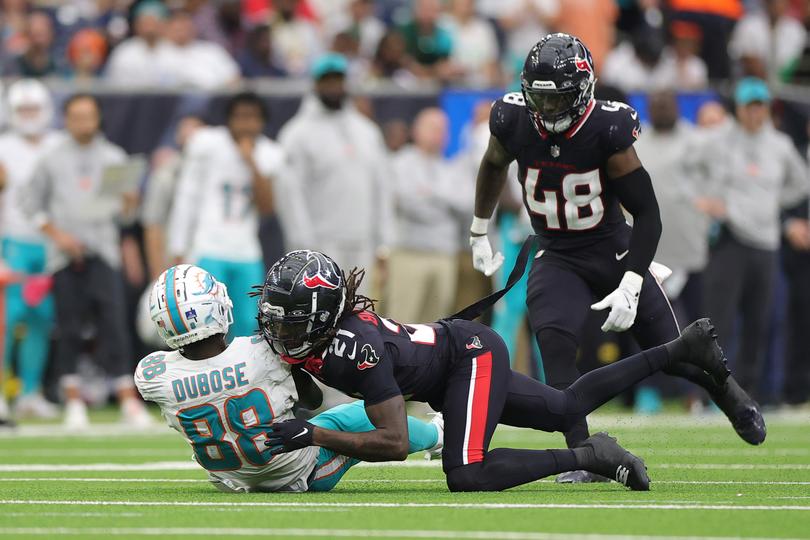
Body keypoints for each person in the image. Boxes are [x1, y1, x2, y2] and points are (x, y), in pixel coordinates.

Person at [466, 33, 764, 483]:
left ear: (583, 91)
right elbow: (492, 164)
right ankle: (589, 454)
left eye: (557, 100)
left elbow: (647, 213)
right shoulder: (511, 118)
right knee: (556, 347)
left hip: (613, 248)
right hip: (555, 251)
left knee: (677, 354)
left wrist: (632, 278)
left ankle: (729, 392)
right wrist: (478, 227)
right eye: (539, 100)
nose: (546, 113)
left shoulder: (607, 128)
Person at [255, 250, 761, 493]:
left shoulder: (356, 347)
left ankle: (592, 455)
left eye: (289, 318)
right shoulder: (318, 338)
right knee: (564, 406)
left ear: (321, 315)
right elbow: (309, 386)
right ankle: (683, 349)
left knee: (466, 473)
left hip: (466, 357)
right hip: (455, 359)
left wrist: (313, 435)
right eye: (275, 315)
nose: (279, 327)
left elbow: (392, 441)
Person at [135, 264, 443, 493]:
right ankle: (437, 436)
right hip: (298, 474)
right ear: (215, 308)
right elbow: (313, 401)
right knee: (354, 415)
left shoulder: (154, 375)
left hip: (230, 479)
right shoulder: (259, 353)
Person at [22, 94, 150, 429]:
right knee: (68, 327)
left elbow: (125, 218)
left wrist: (129, 203)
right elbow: (29, 202)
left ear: (97, 119)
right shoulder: (51, 158)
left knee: (114, 325)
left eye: (88, 116)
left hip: (103, 250)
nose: (82, 122)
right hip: (64, 255)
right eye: (76, 116)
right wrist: (56, 234)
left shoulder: (113, 156)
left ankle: (127, 398)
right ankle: (73, 399)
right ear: (66, 119)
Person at [699, 78, 810, 401]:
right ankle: (712, 393)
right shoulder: (720, 139)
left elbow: (800, 184)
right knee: (718, 321)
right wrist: (706, 200)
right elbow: (689, 166)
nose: (754, 113)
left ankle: (747, 393)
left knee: (759, 322)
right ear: (739, 108)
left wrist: (771, 202)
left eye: (759, 106)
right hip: (730, 238)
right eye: (749, 106)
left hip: (766, 244)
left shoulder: (780, 145)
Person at [167, 93, 282, 340]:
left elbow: (267, 208)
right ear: (228, 120)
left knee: (248, 324)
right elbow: (186, 198)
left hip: (246, 251)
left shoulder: (269, 153)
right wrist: (178, 247)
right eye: (240, 117)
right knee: (207, 321)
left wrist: (250, 160)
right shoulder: (207, 143)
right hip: (208, 247)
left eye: (253, 118)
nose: (246, 125)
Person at [278, 53, 392, 294]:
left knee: (360, 316)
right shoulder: (297, 134)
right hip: (321, 245)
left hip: (363, 242)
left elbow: (381, 188)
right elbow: (291, 195)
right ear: (315, 84)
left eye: (338, 80)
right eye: (327, 81)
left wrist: (383, 243)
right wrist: (303, 248)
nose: (333, 87)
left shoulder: (367, 131)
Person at [0, 79, 61, 419]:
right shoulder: (4, 146)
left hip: (50, 243)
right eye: (22, 110)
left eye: (33, 109)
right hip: (13, 240)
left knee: (41, 320)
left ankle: (29, 391)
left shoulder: (58, 143)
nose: (28, 116)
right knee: (5, 320)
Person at [386, 108, 464, 324]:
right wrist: (444, 203)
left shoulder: (452, 168)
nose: (438, 134)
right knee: (401, 322)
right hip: (410, 254)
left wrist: (430, 194)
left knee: (436, 326)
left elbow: (465, 204)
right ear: (416, 131)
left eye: (443, 129)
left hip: (444, 255)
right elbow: (408, 203)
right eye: (433, 128)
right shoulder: (400, 163)